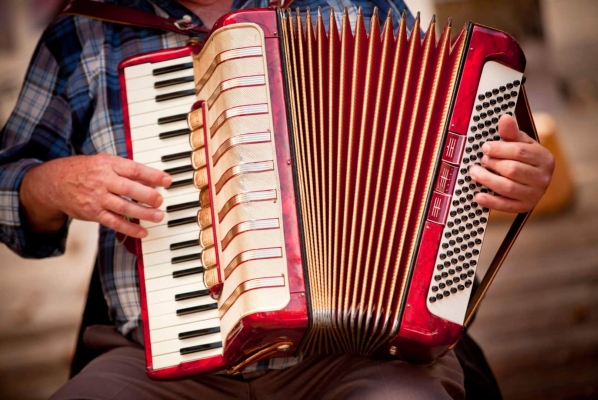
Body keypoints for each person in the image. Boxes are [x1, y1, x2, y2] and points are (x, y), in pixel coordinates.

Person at [0, 0, 555, 398]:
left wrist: (514, 178)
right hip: (160, 365)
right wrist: (49, 184)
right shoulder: (86, 35)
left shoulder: (354, 8)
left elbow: (452, 175)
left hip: (351, 353)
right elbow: (8, 185)